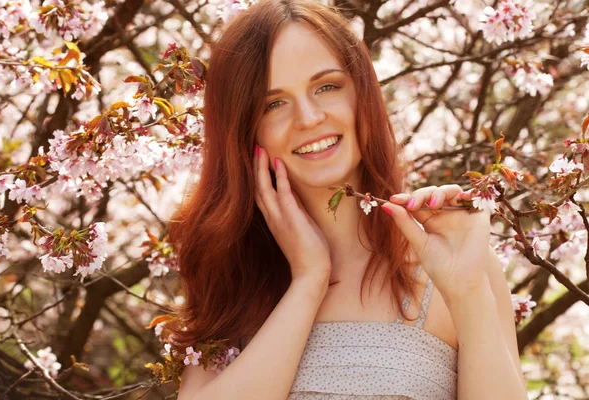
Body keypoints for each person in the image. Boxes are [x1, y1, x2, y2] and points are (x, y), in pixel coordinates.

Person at [169, 0, 527, 399]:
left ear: (363, 94)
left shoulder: (454, 262)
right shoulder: (230, 277)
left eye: (327, 87)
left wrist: (467, 291)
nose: (308, 118)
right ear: (244, 132)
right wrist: (309, 279)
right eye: (273, 104)